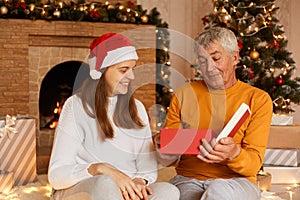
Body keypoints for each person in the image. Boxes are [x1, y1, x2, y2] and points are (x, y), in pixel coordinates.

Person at [48, 33, 180, 200]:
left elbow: (145, 165)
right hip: (85, 188)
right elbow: (57, 175)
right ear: (100, 72)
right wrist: (100, 168)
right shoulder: (75, 106)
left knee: (169, 191)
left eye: (132, 69)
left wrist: (140, 181)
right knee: (104, 184)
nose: (131, 76)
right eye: (124, 70)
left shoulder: (137, 108)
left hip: (123, 193)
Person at [155, 27, 273, 199]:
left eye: (216, 59)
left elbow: (253, 165)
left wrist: (234, 154)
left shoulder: (258, 99)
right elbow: (170, 158)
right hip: (188, 178)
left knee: (218, 191)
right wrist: (163, 147)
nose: (209, 68)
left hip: (237, 181)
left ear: (235, 58)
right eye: (203, 61)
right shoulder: (184, 94)